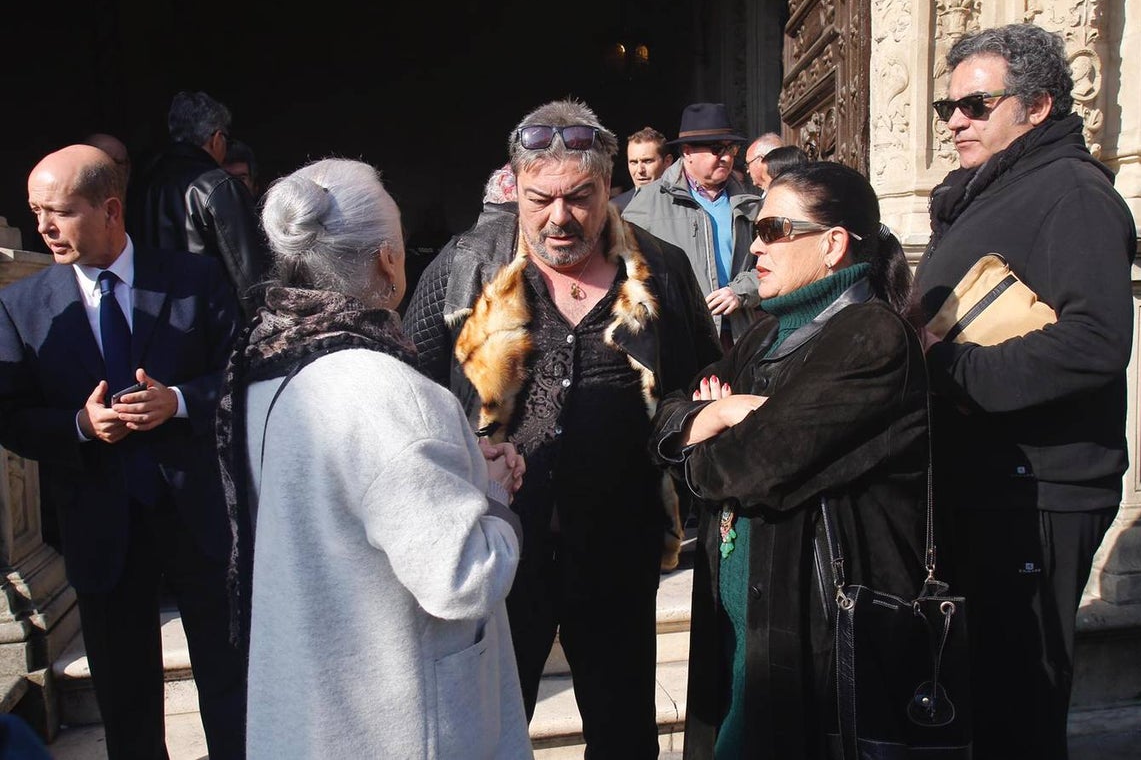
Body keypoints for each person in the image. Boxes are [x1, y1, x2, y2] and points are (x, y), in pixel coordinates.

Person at [403, 98, 720, 758]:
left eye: (580, 197)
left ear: (610, 187)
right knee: (487, 734)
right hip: (496, 561)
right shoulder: (463, 267)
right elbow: (406, 402)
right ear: (514, 187)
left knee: (625, 731)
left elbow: (695, 380)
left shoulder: (660, 269)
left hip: (618, 554)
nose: (560, 217)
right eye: (541, 198)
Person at [216, 157, 532, 759]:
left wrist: (459, 469)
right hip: (399, 722)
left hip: (312, 710)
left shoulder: (262, 367)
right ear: (388, 260)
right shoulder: (390, 392)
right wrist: (490, 493)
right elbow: (462, 578)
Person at [650, 161, 928, 758]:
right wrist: (718, 416)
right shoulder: (761, 335)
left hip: (811, 634)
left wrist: (708, 442)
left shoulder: (872, 338)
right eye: (757, 228)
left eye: (774, 229)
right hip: (739, 623)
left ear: (832, 244)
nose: (755, 246)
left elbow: (756, 466)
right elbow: (666, 417)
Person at [913, 23, 1136, 760]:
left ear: (1037, 106)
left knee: (1020, 703)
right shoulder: (996, 190)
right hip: (989, 485)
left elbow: (1096, 339)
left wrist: (955, 372)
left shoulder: (1073, 192)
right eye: (950, 108)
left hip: (1038, 489)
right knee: (985, 697)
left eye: (976, 105)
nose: (954, 122)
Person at [0, 144, 245, 759]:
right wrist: (80, 425)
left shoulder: (193, 280)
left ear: (111, 209)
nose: (45, 229)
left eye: (60, 212)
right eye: (36, 213)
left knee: (229, 679)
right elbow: (11, 418)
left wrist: (181, 402)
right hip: (98, 523)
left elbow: (245, 376)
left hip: (198, 516)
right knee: (125, 699)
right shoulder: (23, 307)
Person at [623, 102, 762, 349]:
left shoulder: (750, 201)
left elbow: (773, 264)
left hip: (740, 337)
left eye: (732, 148)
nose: (727, 157)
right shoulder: (646, 204)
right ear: (687, 152)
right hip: (680, 341)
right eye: (717, 149)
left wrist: (740, 292)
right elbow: (626, 276)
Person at [129, 90, 268, 317]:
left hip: (150, 315)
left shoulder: (142, 184)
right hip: (211, 320)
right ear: (216, 138)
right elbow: (249, 276)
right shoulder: (218, 186)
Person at [610, 126, 673, 211]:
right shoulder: (614, 209)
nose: (640, 170)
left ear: (667, 162)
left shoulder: (683, 206)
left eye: (647, 161)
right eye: (634, 162)